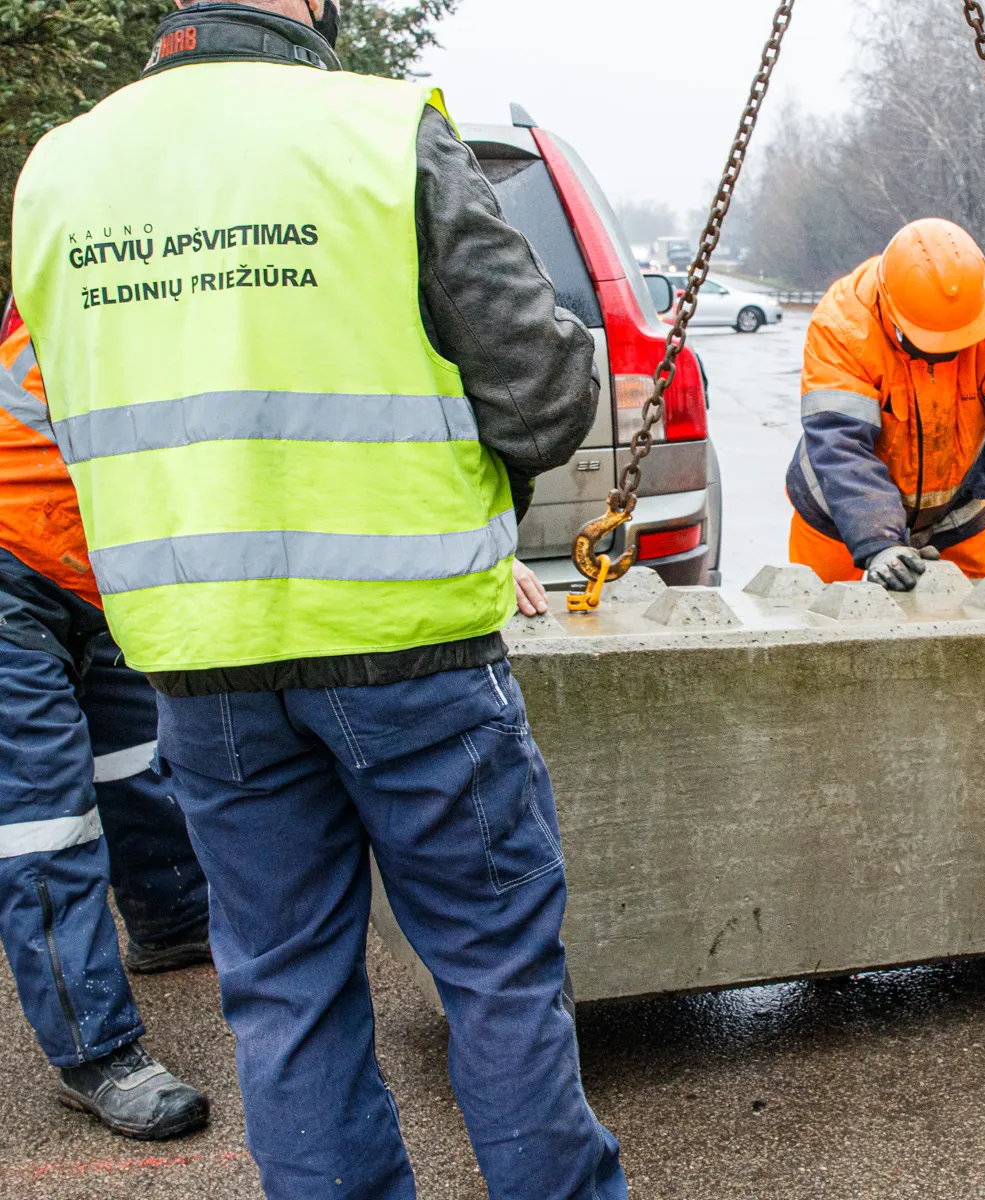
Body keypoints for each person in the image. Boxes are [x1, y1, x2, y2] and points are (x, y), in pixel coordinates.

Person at [9, 2, 623, 1196]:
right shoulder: (379, 133)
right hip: (412, 653)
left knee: (284, 994)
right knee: (496, 975)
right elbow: (543, 391)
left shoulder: (61, 172)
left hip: (200, 663)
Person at [0, 302, 212, 1139]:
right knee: (44, 819)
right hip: (16, 551)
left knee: (132, 755)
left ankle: (171, 923)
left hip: (97, 561)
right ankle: (94, 1052)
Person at [786, 217, 985, 589]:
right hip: (839, 515)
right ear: (890, 312)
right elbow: (840, 444)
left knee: (978, 621)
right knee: (825, 618)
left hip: (963, 513)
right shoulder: (843, 325)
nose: (945, 355)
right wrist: (878, 541)